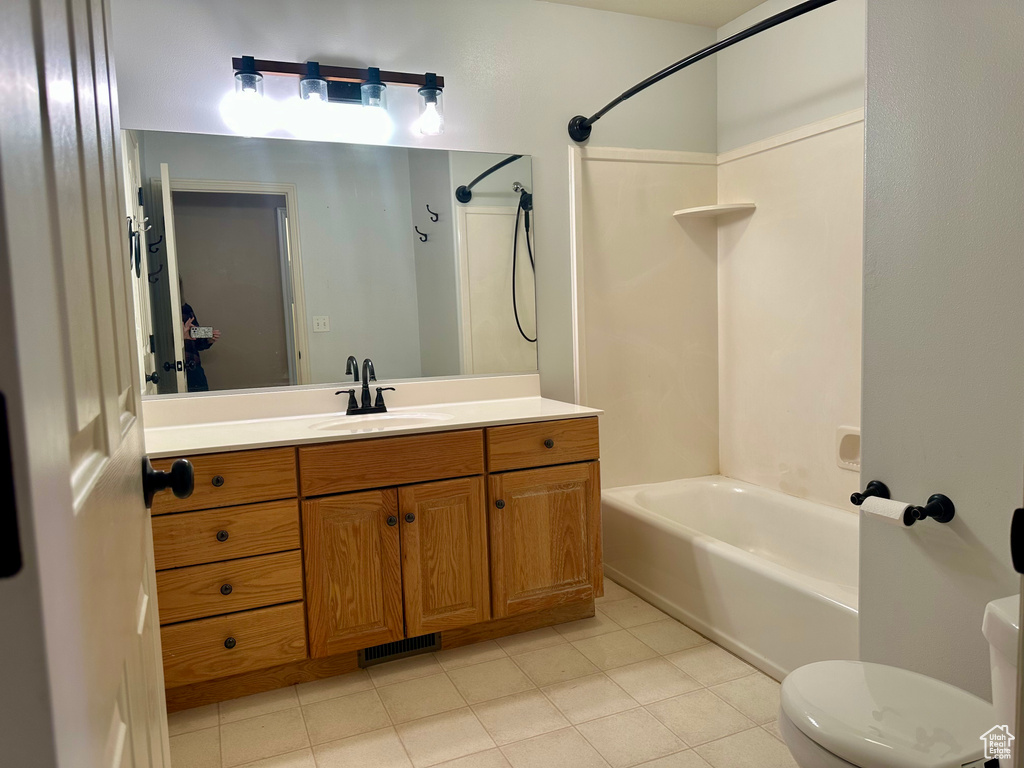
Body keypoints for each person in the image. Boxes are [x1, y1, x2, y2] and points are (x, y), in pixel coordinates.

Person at [181, 302, 220, 392]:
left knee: (202, 403)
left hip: (193, 365)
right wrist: (180, 337)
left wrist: (208, 340)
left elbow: (196, 340)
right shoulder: (161, 311)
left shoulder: (185, 308)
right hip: (172, 367)